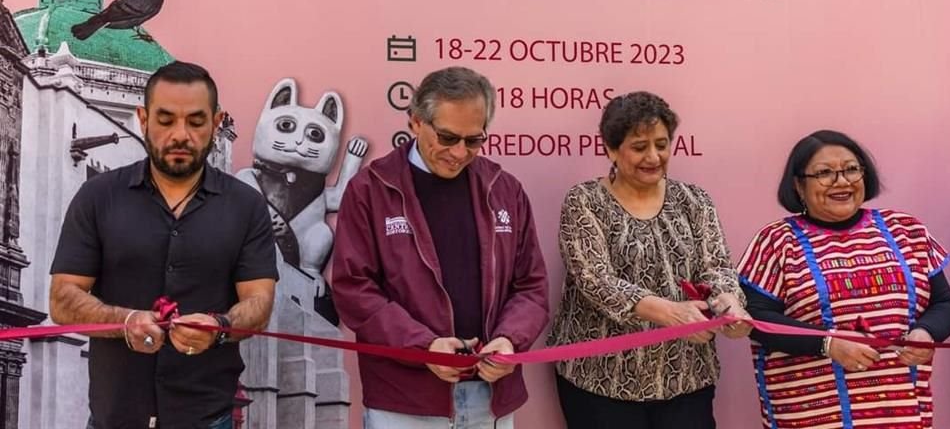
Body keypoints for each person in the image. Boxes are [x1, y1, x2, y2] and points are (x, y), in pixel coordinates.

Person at [49, 61, 278, 429]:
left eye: (196, 121)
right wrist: (124, 322)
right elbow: (63, 299)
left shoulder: (246, 206)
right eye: (166, 119)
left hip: (206, 417)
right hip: (115, 416)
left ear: (216, 124)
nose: (180, 134)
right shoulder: (97, 197)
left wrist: (219, 326)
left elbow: (260, 304)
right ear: (143, 118)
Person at [331, 66, 549, 429]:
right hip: (404, 402)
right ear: (415, 122)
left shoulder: (504, 188)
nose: (459, 152)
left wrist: (510, 340)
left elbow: (531, 286)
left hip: (492, 397)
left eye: (474, 140)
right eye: (447, 137)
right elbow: (354, 289)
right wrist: (423, 347)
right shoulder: (371, 188)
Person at [548, 91, 750, 429]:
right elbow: (595, 280)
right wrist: (671, 313)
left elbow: (716, 268)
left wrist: (729, 304)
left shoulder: (694, 200)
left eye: (662, 144)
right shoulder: (584, 201)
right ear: (611, 149)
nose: (654, 156)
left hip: (685, 378)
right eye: (640, 147)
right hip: (600, 382)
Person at [738, 129, 950, 429]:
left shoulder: (906, 229)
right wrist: (828, 344)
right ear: (799, 186)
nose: (841, 181)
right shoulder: (777, 241)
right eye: (824, 173)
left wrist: (926, 333)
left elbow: (945, 303)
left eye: (851, 169)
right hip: (811, 415)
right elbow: (754, 318)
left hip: (901, 411)